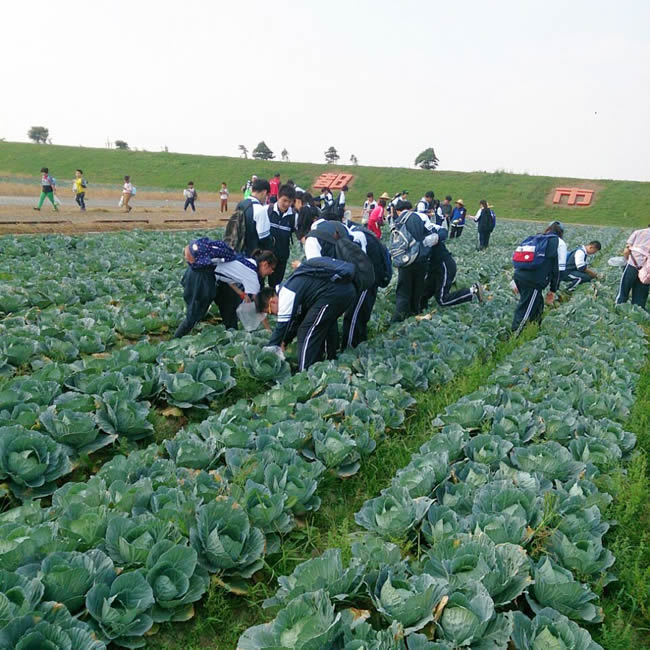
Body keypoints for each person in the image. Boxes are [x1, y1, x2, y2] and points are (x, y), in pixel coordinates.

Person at [257, 258, 357, 371]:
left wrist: (273, 347)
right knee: (320, 325)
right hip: (342, 290)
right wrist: (285, 340)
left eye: (270, 311)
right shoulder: (289, 288)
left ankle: (305, 372)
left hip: (335, 293)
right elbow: (297, 321)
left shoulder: (286, 292)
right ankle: (326, 360)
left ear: (272, 301)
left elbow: (282, 326)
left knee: (307, 330)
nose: (274, 314)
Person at [174, 239, 277, 336]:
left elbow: (229, 278)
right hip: (201, 276)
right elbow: (259, 306)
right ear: (265, 264)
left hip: (208, 274)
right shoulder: (253, 277)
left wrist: (242, 294)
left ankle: (231, 331)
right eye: (272, 269)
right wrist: (268, 329)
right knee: (194, 314)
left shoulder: (249, 262)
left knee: (230, 304)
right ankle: (177, 337)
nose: (272, 272)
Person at [391, 200, 439, 322]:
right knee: (417, 290)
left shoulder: (400, 221)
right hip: (422, 260)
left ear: (398, 210)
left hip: (407, 261)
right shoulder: (418, 217)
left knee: (403, 292)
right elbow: (431, 235)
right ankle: (414, 315)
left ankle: (398, 320)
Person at [511, 221, 562, 334]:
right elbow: (556, 269)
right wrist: (553, 289)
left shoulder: (538, 238)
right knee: (525, 310)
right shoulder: (556, 243)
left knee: (538, 304)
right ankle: (515, 334)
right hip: (532, 282)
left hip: (519, 275)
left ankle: (534, 328)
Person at [421, 221, 483, 310]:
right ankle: (419, 311)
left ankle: (473, 290)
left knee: (442, 300)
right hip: (434, 268)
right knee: (424, 293)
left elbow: (443, 231)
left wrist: (435, 238)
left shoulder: (426, 232)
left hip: (444, 266)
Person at [268, 184, 296, 289]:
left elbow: (300, 233)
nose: (287, 204)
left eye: (290, 201)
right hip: (266, 255)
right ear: (278, 197)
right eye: (284, 200)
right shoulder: (267, 211)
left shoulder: (294, 216)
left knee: (276, 285)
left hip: (282, 257)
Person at [616, 225, 650, 308]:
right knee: (641, 295)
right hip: (647, 270)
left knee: (624, 290)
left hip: (632, 264)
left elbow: (626, 251)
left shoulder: (638, 232)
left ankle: (620, 308)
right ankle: (637, 310)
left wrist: (626, 260)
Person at [236, 178, 273, 255]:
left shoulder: (241, 204)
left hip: (238, 251)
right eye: (268, 196)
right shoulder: (260, 209)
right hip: (253, 254)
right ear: (264, 192)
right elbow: (264, 238)